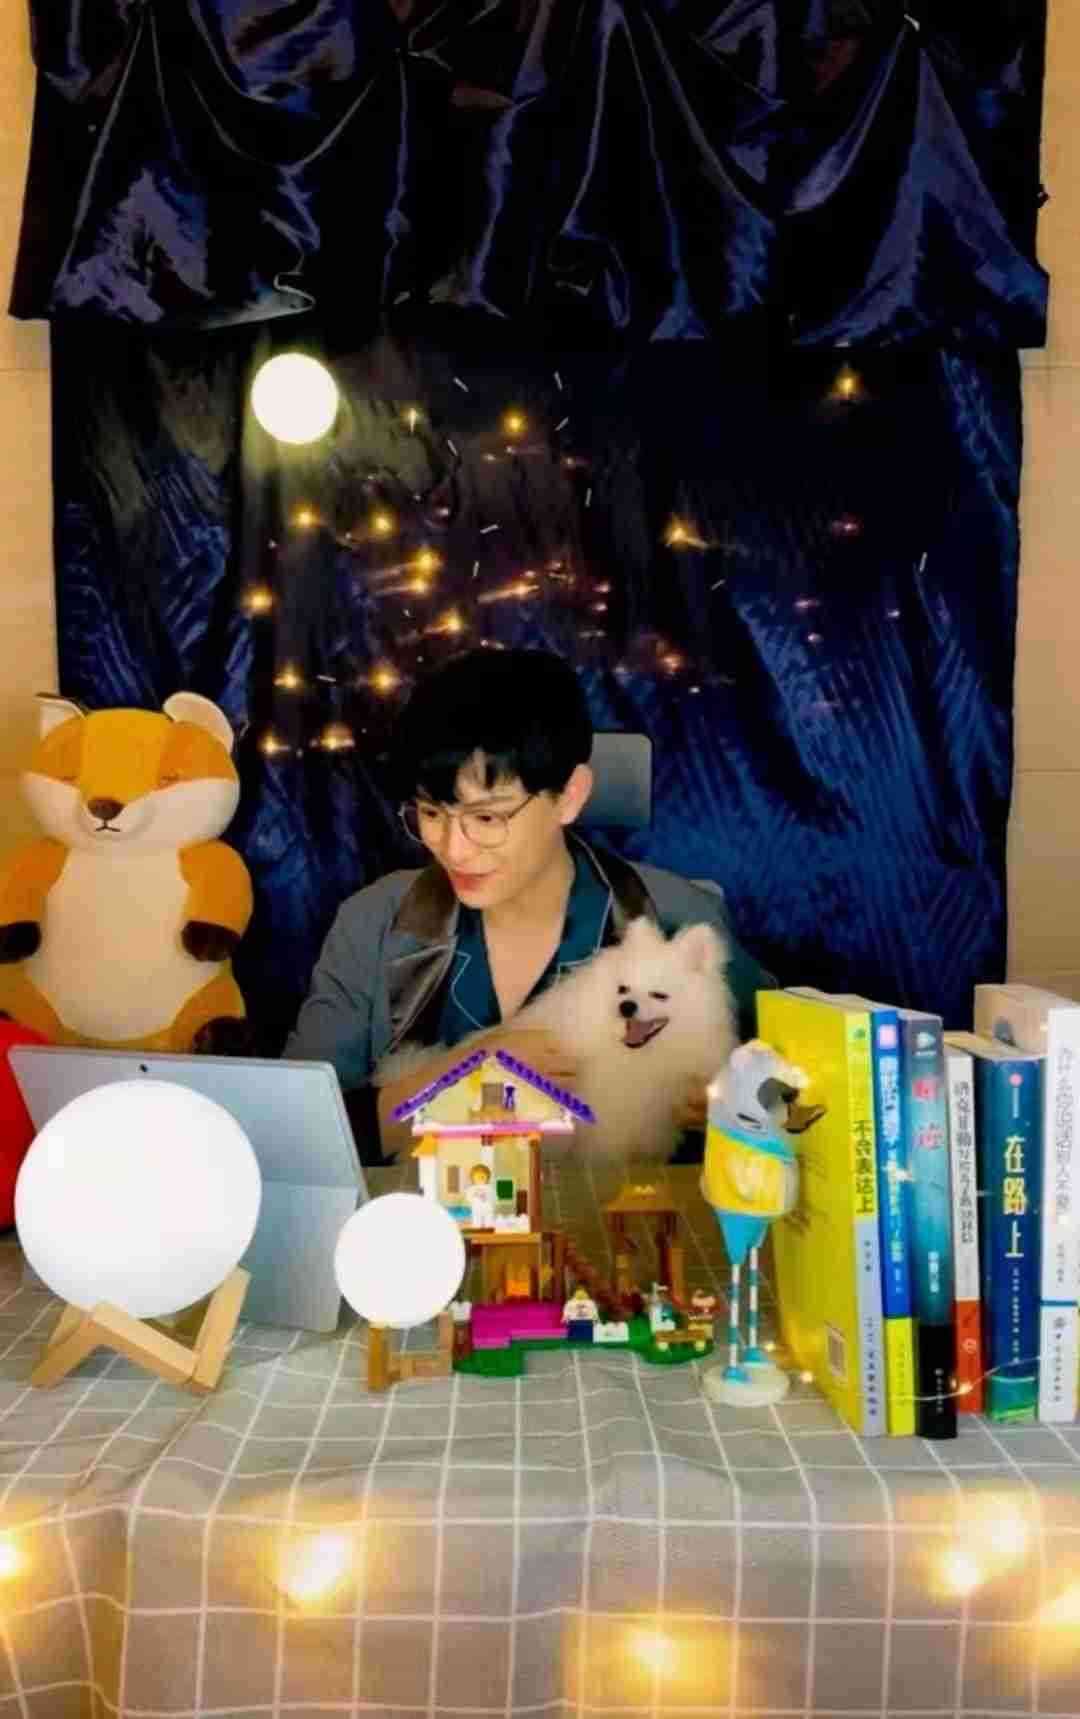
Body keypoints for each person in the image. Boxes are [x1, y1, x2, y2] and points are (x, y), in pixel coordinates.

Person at [285, 647, 775, 1163]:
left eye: (487, 818)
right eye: (431, 813)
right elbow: (296, 1134)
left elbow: (798, 1087)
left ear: (570, 795)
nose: (454, 849)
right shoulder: (373, 922)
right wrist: (459, 1074)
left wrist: (734, 1107)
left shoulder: (676, 915)